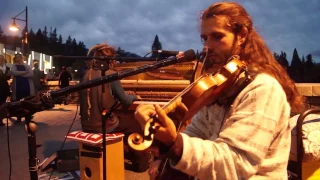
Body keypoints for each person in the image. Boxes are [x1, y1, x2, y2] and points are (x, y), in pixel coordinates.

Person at [134, 2, 306, 179]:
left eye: (217, 37)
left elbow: (237, 163)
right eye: (205, 38)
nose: (207, 46)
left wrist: (177, 145)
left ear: (241, 36)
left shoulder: (262, 89)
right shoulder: (221, 85)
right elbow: (196, 132)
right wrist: (166, 152)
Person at [79, 43, 149, 172]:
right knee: (135, 124)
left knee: (120, 118)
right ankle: (141, 165)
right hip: (104, 126)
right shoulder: (111, 74)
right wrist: (134, 96)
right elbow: (126, 101)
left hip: (86, 125)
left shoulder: (85, 75)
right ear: (110, 60)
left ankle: (120, 153)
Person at [10, 53, 35, 123]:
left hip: (27, 87)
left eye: (19, 57)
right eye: (17, 57)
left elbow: (31, 74)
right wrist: (25, 73)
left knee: (27, 102)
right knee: (18, 102)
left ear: (21, 58)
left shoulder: (27, 65)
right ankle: (19, 117)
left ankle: (28, 117)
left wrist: (20, 74)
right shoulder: (14, 66)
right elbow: (14, 73)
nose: (18, 59)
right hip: (18, 87)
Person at [0, 55, 11, 126]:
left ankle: (0, 119)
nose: (1, 60)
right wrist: (5, 76)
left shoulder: (7, 68)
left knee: (2, 103)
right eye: (0, 59)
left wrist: (3, 76)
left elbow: (9, 77)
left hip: (4, 87)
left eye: (2, 59)